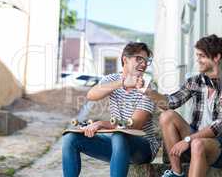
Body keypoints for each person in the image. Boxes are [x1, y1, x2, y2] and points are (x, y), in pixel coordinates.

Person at [138, 34, 222, 177]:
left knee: (197, 144)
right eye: (197, 55)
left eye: (202, 56)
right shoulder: (195, 81)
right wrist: (148, 91)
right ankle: (176, 172)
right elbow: (171, 102)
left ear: (217, 57)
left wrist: (187, 140)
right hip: (195, 139)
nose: (197, 60)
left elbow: (217, 127)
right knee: (167, 116)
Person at [62, 42, 160, 177]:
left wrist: (101, 124)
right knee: (70, 138)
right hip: (118, 144)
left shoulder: (149, 87)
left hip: (143, 147)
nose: (143, 64)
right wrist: (123, 82)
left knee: (120, 135)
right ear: (125, 59)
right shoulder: (112, 79)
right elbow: (91, 95)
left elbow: (135, 124)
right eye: (138, 59)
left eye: (146, 61)